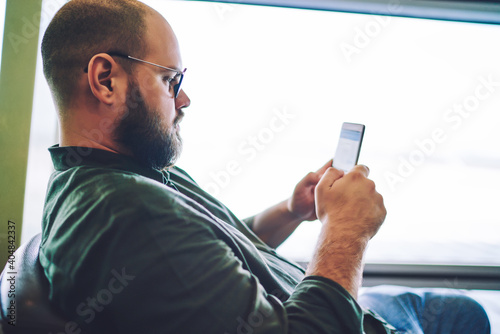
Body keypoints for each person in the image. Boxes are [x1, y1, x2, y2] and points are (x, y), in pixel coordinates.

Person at [38, 0, 490, 333]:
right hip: (336, 318)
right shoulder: (122, 214)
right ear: (105, 80)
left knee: (466, 311)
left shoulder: (131, 174)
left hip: (325, 300)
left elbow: (216, 249)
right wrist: (347, 230)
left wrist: (291, 210)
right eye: (170, 79)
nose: (184, 99)